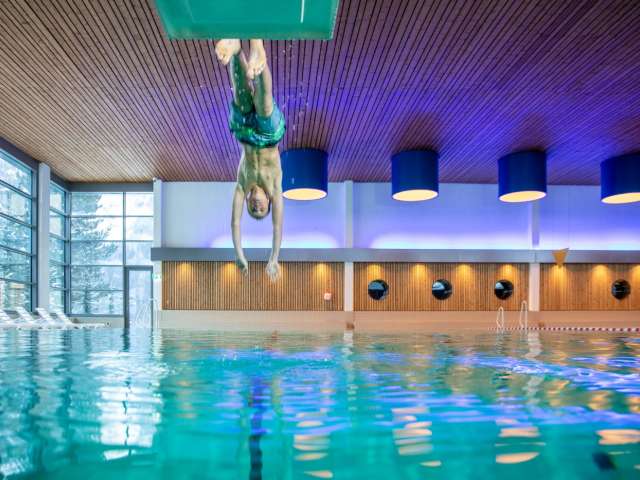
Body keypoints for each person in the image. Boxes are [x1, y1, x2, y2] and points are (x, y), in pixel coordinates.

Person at [215, 39, 285, 281]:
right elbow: (277, 227)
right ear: (268, 201)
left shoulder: (241, 185)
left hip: (244, 135)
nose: (256, 206)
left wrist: (239, 254)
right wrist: (274, 257)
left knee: (241, 96)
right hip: (268, 138)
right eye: (261, 209)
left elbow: (235, 223)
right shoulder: (275, 189)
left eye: (252, 209)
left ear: (246, 202)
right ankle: (258, 54)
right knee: (264, 105)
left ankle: (236, 51)